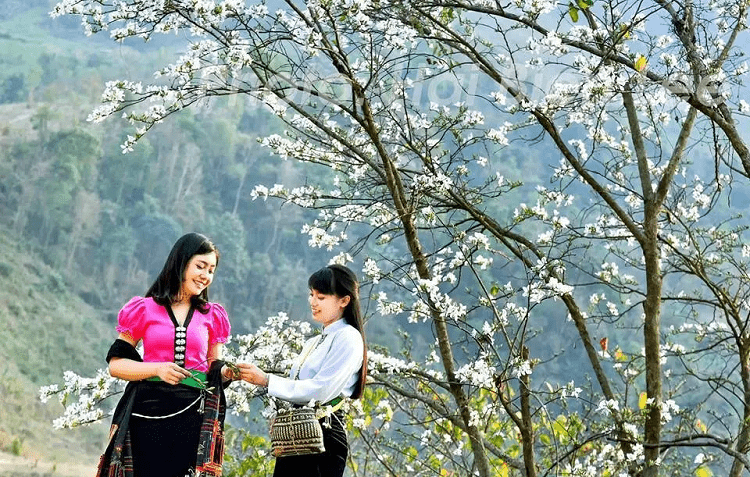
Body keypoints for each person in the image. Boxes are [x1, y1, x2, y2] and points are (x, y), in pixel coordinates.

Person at [97, 232, 234, 477]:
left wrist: (228, 372)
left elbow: (215, 368)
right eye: (200, 266)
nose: (206, 275)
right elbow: (116, 365)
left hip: (192, 416)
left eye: (211, 270)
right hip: (145, 413)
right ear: (181, 263)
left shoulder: (212, 315)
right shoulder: (143, 309)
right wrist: (157, 368)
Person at [235, 264, 367, 477]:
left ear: (344, 300)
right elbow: (299, 387)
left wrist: (267, 380)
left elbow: (321, 390)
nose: (313, 302)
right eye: (311, 295)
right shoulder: (314, 342)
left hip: (324, 434)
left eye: (321, 297)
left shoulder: (348, 337)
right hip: (298, 433)